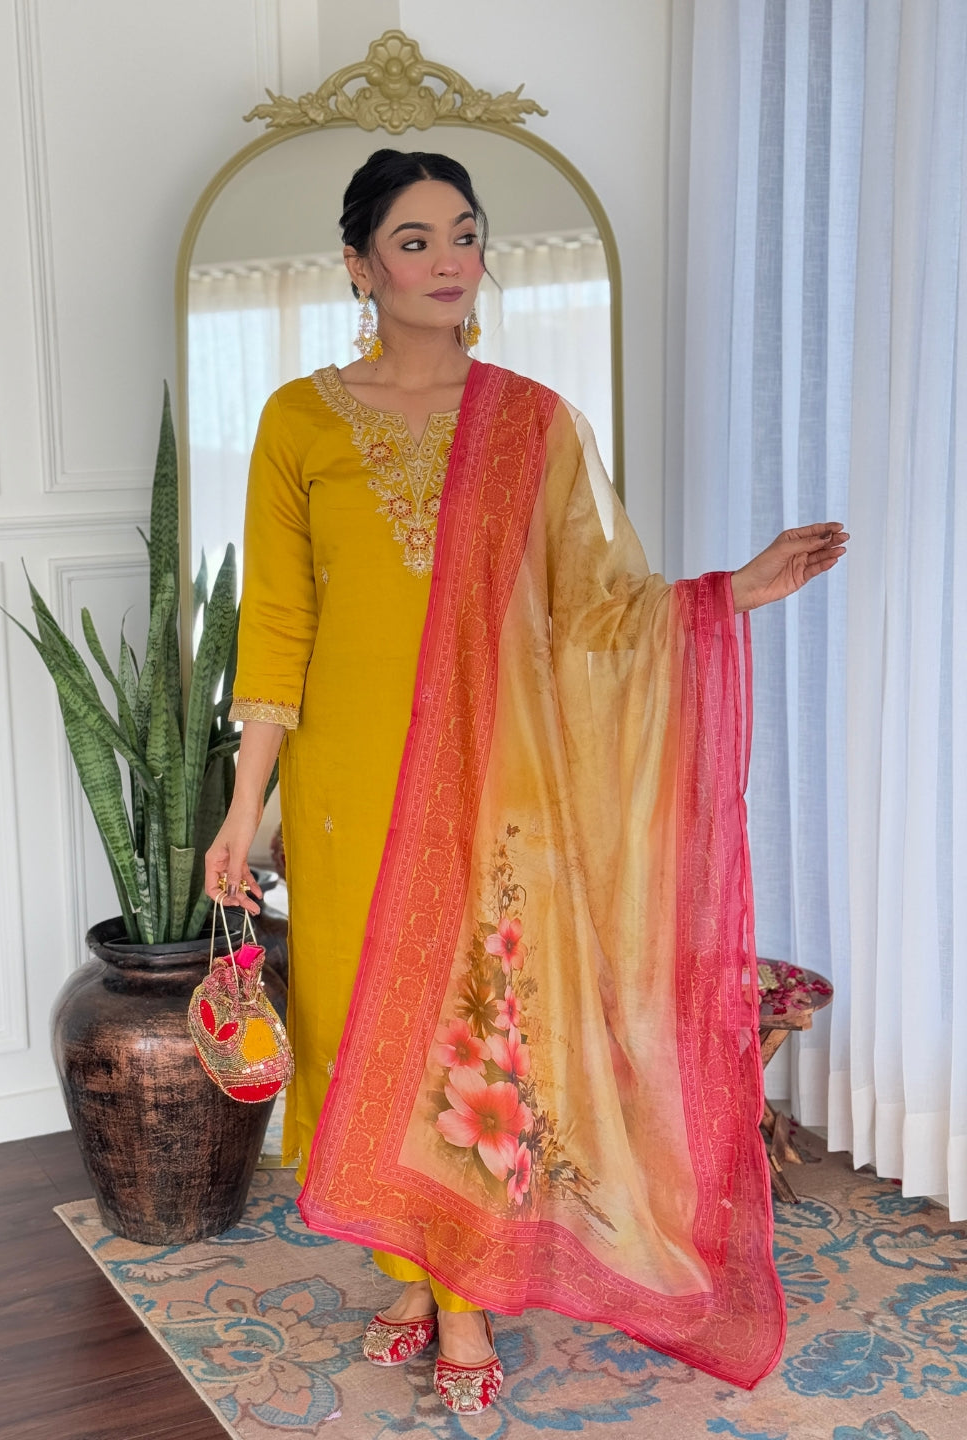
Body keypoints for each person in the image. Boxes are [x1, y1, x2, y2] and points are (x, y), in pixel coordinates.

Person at [205, 148, 848, 1414]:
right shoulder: (296, 421)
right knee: (357, 1023)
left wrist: (731, 591)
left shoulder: (533, 422)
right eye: (414, 241)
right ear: (359, 266)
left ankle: (462, 1293)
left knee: (473, 1031)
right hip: (343, 788)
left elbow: (597, 613)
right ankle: (409, 1262)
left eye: (465, 234)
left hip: (493, 778)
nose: (449, 261)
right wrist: (244, 812)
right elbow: (275, 631)